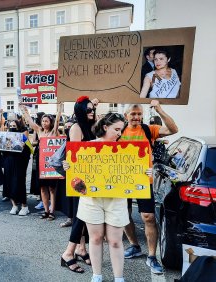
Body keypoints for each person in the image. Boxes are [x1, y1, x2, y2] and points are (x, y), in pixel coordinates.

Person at [63, 113, 153, 282]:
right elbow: (69, 171)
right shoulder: (86, 147)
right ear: (105, 127)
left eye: (121, 130)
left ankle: (119, 278)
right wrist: (68, 166)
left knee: (115, 241)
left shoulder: (127, 150)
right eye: (116, 129)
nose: (120, 133)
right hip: (91, 200)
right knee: (95, 239)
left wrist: (146, 172)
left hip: (116, 200)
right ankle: (97, 276)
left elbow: (136, 174)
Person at [120, 100, 178, 274]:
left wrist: (159, 109)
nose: (137, 117)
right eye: (133, 114)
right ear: (126, 116)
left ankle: (152, 257)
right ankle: (134, 245)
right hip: (121, 180)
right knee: (124, 214)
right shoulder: (118, 131)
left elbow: (173, 129)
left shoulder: (148, 129)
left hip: (143, 181)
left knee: (148, 217)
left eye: (139, 114)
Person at [60, 96, 97, 273]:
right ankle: (68, 253)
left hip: (89, 177)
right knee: (80, 216)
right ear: (80, 111)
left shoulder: (91, 127)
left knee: (84, 215)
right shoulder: (76, 128)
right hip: (78, 179)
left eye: (93, 109)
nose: (92, 112)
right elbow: (76, 156)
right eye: (88, 109)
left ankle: (81, 249)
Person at [21, 104, 62, 221]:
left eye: (46, 121)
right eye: (43, 121)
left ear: (51, 122)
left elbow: (58, 120)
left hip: (51, 165)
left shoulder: (54, 132)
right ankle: (46, 210)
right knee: (43, 188)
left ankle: (52, 211)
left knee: (52, 189)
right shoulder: (39, 131)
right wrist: (24, 111)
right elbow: (30, 123)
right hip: (41, 162)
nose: (44, 123)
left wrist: (59, 108)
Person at [1, 118, 32, 216]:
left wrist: (23, 146)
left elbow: (29, 150)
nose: (12, 128)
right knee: (9, 184)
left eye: (14, 126)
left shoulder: (23, 137)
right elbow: (3, 151)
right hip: (8, 163)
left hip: (19, 164)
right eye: (11, 126)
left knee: (19, 183)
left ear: (18, 127)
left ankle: (24, 206)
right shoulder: (5, 136)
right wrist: (0, 143)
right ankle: (14, 205)